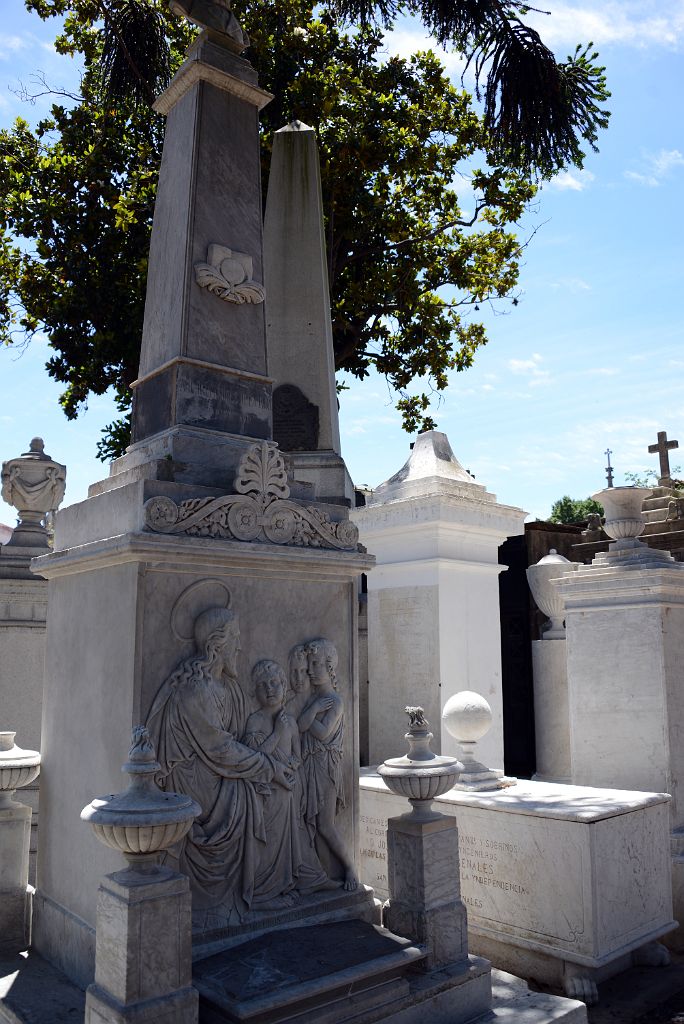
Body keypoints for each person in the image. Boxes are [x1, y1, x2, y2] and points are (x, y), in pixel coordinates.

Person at [146, 607, 294, 925]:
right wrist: (268, 767)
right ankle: (247, 896)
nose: (240, 646)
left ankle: (262, 889)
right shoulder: (194, 690)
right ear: (217, 645)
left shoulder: (228, 688)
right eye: (235, 639)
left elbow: (238, 743)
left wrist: (269, 762)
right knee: (248, 794)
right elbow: (221, 750)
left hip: (218, 773)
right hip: (194, 780)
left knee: (272, 796)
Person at [298, 638, 358, 891]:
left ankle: (350, 869)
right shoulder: (316, 701)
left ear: (330, 666)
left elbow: (321, 732)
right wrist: (308, 713)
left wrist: (309, 713)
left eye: (317, 664)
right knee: (311, 822)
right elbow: (300, 726)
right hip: (310, 767)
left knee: (325, 824)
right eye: (309, 664)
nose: (311, 670)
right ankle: (320, 875)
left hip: (326, 769)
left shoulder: (335, 701)